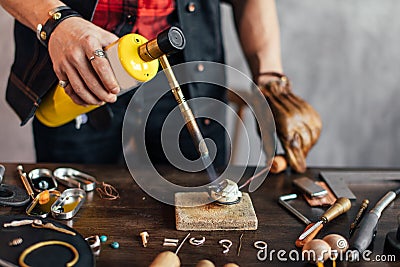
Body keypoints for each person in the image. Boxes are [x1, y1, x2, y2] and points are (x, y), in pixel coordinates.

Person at [0, 0, 321, 172]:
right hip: (78, 76)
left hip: (188, 82)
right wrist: (55, 21)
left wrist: (271, 83)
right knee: (77, 224)